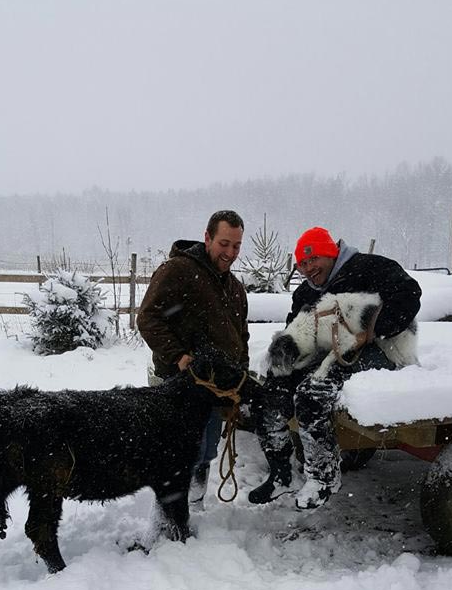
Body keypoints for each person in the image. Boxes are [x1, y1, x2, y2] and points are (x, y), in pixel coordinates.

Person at [248, 226, 422, 509]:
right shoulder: (306, 293)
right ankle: (281, 473)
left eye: (313, 259)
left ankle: (323, 477)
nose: (308, 268)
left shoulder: (369, 268)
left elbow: (409, 294)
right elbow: (296, 329)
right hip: (328, 353)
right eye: (303, 264)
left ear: (330, 253)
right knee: (269, 393)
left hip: (380, 349)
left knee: (312, 393)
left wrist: (373, 331)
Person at [137, 210, 249, 507]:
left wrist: (241, 371)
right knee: (178, 454)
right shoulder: (178, 271)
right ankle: (168, 516)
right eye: (224, 243)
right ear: (207, 237)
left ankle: (193, 507)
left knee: (206, 451)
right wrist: (179, 357)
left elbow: (242, 335)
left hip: (214, 386)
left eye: (236, 246)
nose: (230, 253)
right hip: (181, 383)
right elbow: (148, 318)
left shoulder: (235, 287)